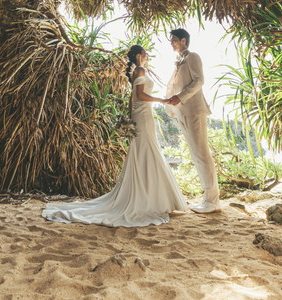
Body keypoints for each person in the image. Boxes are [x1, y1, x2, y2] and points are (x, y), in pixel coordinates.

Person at [41, 45, 188, 227]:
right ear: (138, 55)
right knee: (146, 149)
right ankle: (149, 198)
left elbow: (132, 98)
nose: (147, 54)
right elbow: (141, 95)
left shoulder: (137, 71)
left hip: (139, 114)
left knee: (144, 150)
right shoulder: (140, 69)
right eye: (144, 52)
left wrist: (128, 122)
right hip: (142, 114)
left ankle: (149, 196)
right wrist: (163, 100)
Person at [164, 28, 221, 213]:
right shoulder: (178, 61)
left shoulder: (193, 57)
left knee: (202, 154)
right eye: (170, 40)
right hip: (181, 112)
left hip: (194, 110)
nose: (171, 43)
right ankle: (207, 198)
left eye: (173, 40)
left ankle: (212, 201)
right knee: (196, 155)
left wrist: (180, 97)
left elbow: (199, 81)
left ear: (183, 40)